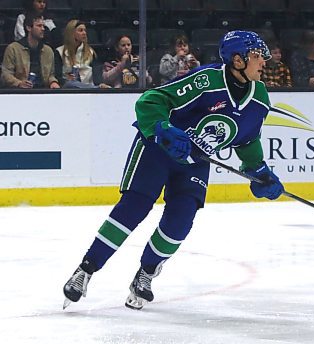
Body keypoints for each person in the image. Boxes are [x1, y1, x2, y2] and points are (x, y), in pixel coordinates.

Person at [62, 30, 284, 311]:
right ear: (237, 60)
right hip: (158, 149)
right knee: (134, 208)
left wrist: (259, 171)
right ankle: (86, 269)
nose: (264, 61)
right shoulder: (206, 80)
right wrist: (163, 128)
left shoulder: (260, 99)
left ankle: (146, 273)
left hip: (195, 162)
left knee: (180, 221)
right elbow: (151, 100)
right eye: (256, 56)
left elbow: (248, 139)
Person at [1, 12, 60, 89]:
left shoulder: (48, 50)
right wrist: (19, 83)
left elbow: (51, 74)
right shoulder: (13, 48)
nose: (43, 29)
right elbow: (6, 74)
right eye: (39, 26)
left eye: (43, 26)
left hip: (43, 91)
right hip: (20, 91)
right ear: (28, 28)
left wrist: (53, 82)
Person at [55, 19, 108, 88]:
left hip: (89, 89)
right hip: (69, 89)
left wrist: (100, 84)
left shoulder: (91, 52)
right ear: (71, 33)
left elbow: (97, 75)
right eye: (80, 30)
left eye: (85, 30)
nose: (84, 33)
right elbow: (57, 76)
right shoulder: (59, 52)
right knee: (71, 83)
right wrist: (66, 78)